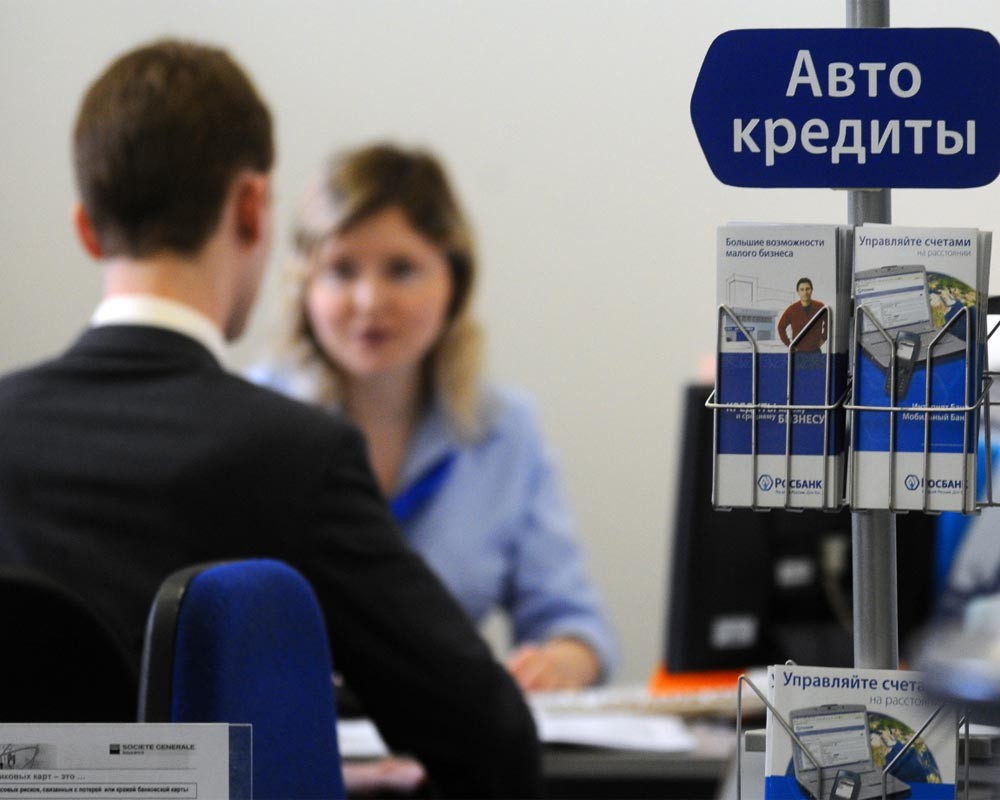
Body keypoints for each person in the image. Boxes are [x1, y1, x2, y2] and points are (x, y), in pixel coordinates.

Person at [0, 40, 541, 798]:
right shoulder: (295, 456)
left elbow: (54, 767)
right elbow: (489, 739)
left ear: (87, 228)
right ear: (252, 207)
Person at [249, 143, 617, 690]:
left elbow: (574, 623)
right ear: (304, 286)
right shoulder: (248, 422)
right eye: (341, 270)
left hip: (442, 731)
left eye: (401, 269)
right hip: (287, 728)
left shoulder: (504, 430)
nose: (369, 301)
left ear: (455, 281)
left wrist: (559, 663)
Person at [777, 277, 827, 352]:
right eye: (802, 289)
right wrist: (790, 345)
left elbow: (829, 323)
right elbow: (781, 327)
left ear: (811, 290)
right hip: (798, 352)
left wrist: (823, 338)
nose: (805, 292)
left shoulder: (820, 307)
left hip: (815, 351)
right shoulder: (792, 309)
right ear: (798, 292)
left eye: (807, 289)